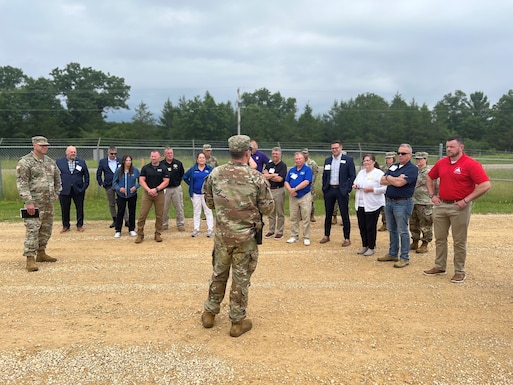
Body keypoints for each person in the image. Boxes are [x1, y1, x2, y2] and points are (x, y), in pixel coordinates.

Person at [201, 134, 275, 337]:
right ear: (247, 152)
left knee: (219, 273)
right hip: (245, 239)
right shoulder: (255, 177)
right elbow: (268, 208)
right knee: (240, 279)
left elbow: (209, 202)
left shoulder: (215, 173)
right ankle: (236, 322)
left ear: (230, 152)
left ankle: (209, 313)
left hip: (223, 237)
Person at [423, 136, 491, 284]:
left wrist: (467, 200)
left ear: (461, 147)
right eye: (447, 147)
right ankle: (440, 266)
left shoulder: (471, 164)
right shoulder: (442, 163)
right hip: (441, 205)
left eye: (452, 147)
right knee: (440, 238)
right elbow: (429, 177)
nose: (448, 149)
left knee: (459, 241)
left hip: (459, 207)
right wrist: (432, 195)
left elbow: (485, 184)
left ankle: (459, 271)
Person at [16, 136, 62, 272]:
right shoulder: (25, 162)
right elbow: (22, 183)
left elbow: (57, 178)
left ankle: (41, 253)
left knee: (46, 228)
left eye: (46, 145)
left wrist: (57, 192)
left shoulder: (50, 162)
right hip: (34, 203)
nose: (45, 147)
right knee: (32, 229)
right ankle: (30, 257)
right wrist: (28, 201)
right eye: (42, 145)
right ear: (34, 145)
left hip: (48, 203)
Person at [378, 144, 418, 268]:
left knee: (402, 231)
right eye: (399, 153)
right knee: (392, 229)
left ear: (410, 155)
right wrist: (393, 178)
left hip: (402, 203)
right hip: (389, 201)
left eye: (403, 153)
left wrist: (390, 178)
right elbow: (381, 180)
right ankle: (393, 253)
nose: (400, 155)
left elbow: (400, 183)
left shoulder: (412, 169)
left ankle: (404, 257)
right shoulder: (394, 166)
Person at [320, 141, 356, 246]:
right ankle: (326, 235)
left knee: (344, 214)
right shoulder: (328, 160)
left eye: (336, 148)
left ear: (340, 148)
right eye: (332, 148)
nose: (334, 150)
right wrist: (324, 188)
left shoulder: (348, 160)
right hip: (330, 190)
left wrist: (347, 189)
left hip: (342, 190)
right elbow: (325, 176)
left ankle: (347, 238)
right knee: (328, 214)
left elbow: (352, 176)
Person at [352, 154, 386, 257]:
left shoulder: (379, 173)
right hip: (360, 203)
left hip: (373, 204)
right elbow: (355, 182)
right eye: (364, 161)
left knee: (370, 226)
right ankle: (364, 245)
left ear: (373, 162)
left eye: (368, 160)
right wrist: (355, 186)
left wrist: (372, 190)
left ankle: (371, 247)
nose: (366, 162)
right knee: (362, 226)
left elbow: (385, 188)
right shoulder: (361, 172)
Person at [135, 150, 170, 244]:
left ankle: (158, 233)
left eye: (155, 156)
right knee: (143, 214)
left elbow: (166, 181)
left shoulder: (163, 168)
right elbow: (141, 180)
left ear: (159, 157)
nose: (153, 158)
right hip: (147, 194)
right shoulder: (145, 168)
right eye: (152, 156)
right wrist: (148, 190)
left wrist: (156, 189)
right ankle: (140, 233)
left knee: (159, 215)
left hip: (159, 194)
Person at [56, 145, 89, 232]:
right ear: (67, 153)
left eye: (74, 152)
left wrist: (84, 187)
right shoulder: (59, 162)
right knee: (65, 208)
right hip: (64, 190)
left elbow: (86, 176)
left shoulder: (81, 162)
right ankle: (66, 226)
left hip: (78, 190)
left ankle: (79, 225)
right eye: (71, 152)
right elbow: (55, 176)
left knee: (80, 208)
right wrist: (57, 188)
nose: (73, 153)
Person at [285, 152, 313, 246]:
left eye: (300, 159)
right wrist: (290, 190)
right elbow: (286, 181)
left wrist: (295, 189)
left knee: (305, 217)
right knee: (293, 217)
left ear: (304, 159)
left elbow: (306, 181)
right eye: (296, 159)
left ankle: (306, 237)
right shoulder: (292, 170)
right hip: (293, 196)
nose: (298, 160)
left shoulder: (307, 169)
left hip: (304, 196)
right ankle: (294, 235)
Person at [183, 153, 214, 237]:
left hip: (206, 194)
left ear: (205, 159)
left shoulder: (209, 169)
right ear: (197, 159)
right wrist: (191, 184)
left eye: (203, 157)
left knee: (208, 211)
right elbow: (185, 177)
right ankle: (196, 229)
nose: (201, 159)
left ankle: (210, 229)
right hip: (195, 193)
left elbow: (214, 178)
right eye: (200, 158)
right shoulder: (193, 169)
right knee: (197, 212)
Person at [410, 152, 434, 254]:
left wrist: (434, 197)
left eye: (421, 159)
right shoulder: (413, 171)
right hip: (413, 201)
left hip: (425, 202)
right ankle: (415, 241)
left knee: (425, 224)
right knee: (413, 223)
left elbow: (436, 186)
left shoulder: (430, 172)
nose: (418, 161)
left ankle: (425, 243)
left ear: (426, 159)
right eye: (417, 159)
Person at [112, 155, 140, 238]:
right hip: (121, 195)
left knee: (132, 211)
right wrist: (119, 188)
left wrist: (135, 187)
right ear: (124, 161)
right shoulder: (118, 170)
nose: (128, 162)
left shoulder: (135, 170)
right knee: (120, 212)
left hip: (132, 195)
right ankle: (118, 230)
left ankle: (131, 229)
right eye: (127, 160)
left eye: (130, 160)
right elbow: (114, 182)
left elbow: (140, 181)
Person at [263, 147, 287, 240]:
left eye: (276, 154)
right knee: (270, 211)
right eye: (273, 154)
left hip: (279, 190)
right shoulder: (269, 164)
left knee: (279, 211)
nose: (274, 155)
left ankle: (280, 231)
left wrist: (269, 175)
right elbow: (264, 176)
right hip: (269, 190)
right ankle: (271, 230)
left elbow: (280, 179)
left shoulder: (283, 166)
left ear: (280, 155)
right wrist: (273, 175)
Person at [96, 145, 123, 228]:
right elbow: (99, 174)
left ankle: (126, 220)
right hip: (108, 185)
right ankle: (115, 220)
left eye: (115, 153)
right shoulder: (103, 162)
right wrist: (101, 183)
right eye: (112, 153)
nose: (113, 155)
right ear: (108, 153)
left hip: (119, 185)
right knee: (112, 204)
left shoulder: (120, 160)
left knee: (122, 202)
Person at [161, 147, 185, 232]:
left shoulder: (178, 163)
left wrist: (177, 182)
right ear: (165, 154)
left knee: (179, 207)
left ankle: (180, 224)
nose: (170, 154)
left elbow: (182, 175)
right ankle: (164, 224)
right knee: (164, 208)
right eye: (168, 153)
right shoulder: (161, 164)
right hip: (165, 189)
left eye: (171, 153)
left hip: (176, 188)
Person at [378, 152, 396, 231]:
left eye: (390, 158)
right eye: (387, 158)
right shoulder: (383, 168)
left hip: (393, 190)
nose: (388, 160)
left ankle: (393, 225)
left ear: (393, 159)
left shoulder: (396, 167)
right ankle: (385, 223)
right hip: (384, 190)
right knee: (384, 208)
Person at [302, 148, 320, 222]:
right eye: (303, 153)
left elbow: (315, 173)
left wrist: (311, 183)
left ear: (308, 154)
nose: (304, 155)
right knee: (301, 200)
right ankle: (302, 215)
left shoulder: (312, 163)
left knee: (311, 200)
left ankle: (311, 215)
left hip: (310, 185)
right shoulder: (300, 162)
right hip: (301, 185)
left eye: (306, 153)